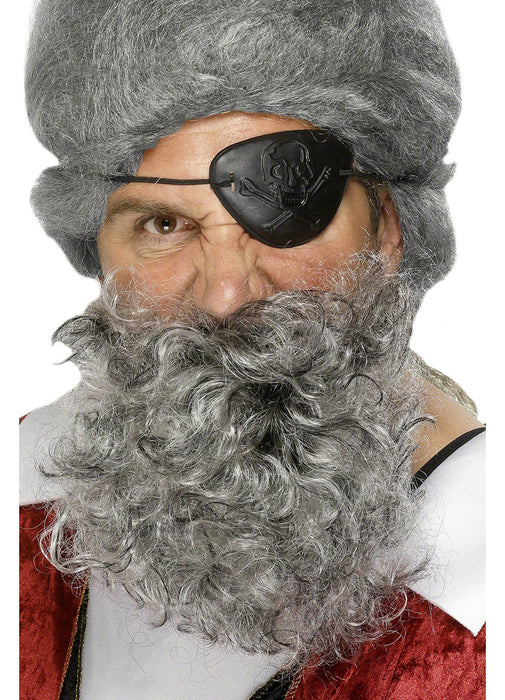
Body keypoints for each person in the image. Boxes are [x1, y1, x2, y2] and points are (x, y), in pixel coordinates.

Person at [19, 1, 486, 698]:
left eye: (282, 212)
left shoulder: (477, 601)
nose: (226, 295)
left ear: (388, 227)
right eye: (164, 224)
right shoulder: (23, 496)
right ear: (97, 246)